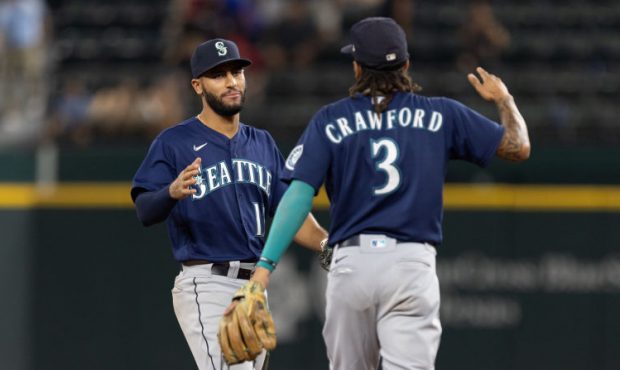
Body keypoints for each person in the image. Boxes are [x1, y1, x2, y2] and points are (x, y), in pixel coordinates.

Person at [239, 17, 530, 370]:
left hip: (352, 265)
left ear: (357, 66)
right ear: (406, 65)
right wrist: (504, 99)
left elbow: (298, 197)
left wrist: (263, 269)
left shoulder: (331, 120)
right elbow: (518, 147)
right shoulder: (441, 113)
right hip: (411, 264)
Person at [131, 38, 327, 370]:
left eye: (236, 71)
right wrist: (170, 192)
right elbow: (145, 209)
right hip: (206, 282)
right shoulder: (174, 142)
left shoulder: (262, 143)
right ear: (197, 85)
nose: (232, 81)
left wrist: (327, 244)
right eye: (218, 75)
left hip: (254, 287)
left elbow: (289, 213)